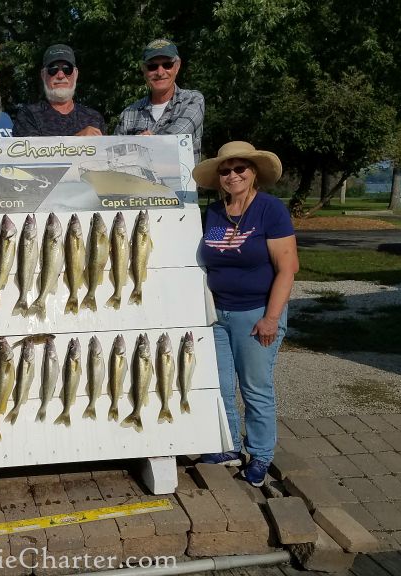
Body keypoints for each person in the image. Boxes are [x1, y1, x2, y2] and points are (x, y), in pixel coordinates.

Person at [192, 141, 298, 487]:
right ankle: (229, 446)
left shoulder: (270, 210)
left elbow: (287, 268)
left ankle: (261, 453)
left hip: (256, 314)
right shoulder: (214, 212)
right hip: (217, 315)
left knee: (255, 388)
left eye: (240, 169)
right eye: (225, 170)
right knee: (220, 386)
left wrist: (271, 317)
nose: (233, 175)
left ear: (254, 173)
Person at [115, 39, 205, 161]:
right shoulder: (128, 113)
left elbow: (177, 136)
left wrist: (139, 145)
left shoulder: (193, 100)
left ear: (177, 67)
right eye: (152, 66)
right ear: (144, 70)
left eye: (167, 65)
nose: (160, 72)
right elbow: (116, 152)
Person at [13, 44, 105, 137]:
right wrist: (77, 140)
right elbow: (31, 150)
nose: (60, 75)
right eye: (53, 69)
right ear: (43, 75)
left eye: (67, 69)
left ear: (76, 74)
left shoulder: (94, 118)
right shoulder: (28, 115)